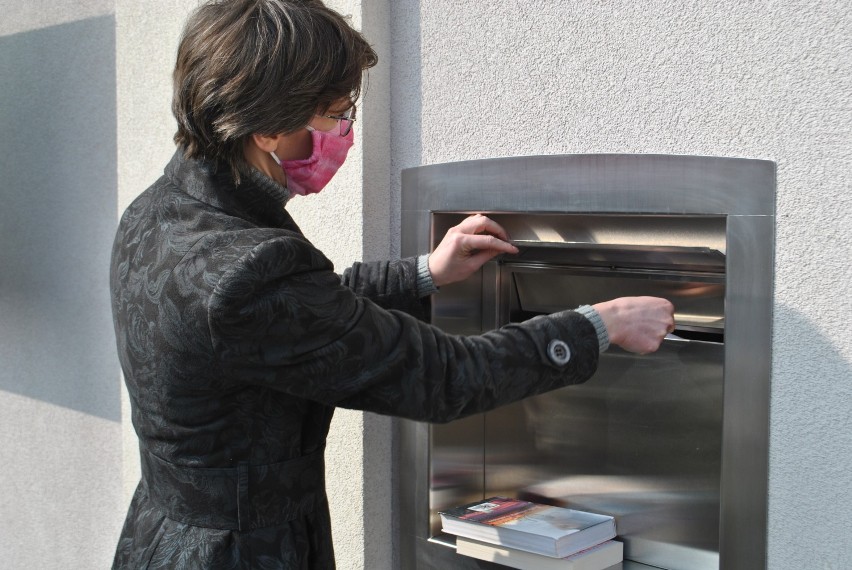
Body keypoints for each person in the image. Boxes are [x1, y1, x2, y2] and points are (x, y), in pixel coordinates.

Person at [109, 1, 675, 568]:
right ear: (268, 129)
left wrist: (428, 271)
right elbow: (445, 376)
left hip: (162, 535)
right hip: (240, 555)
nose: (344, 133)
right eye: (333, 115)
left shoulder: (159, 212)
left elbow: (308, 311)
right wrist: (601, 326)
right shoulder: (248, 271)